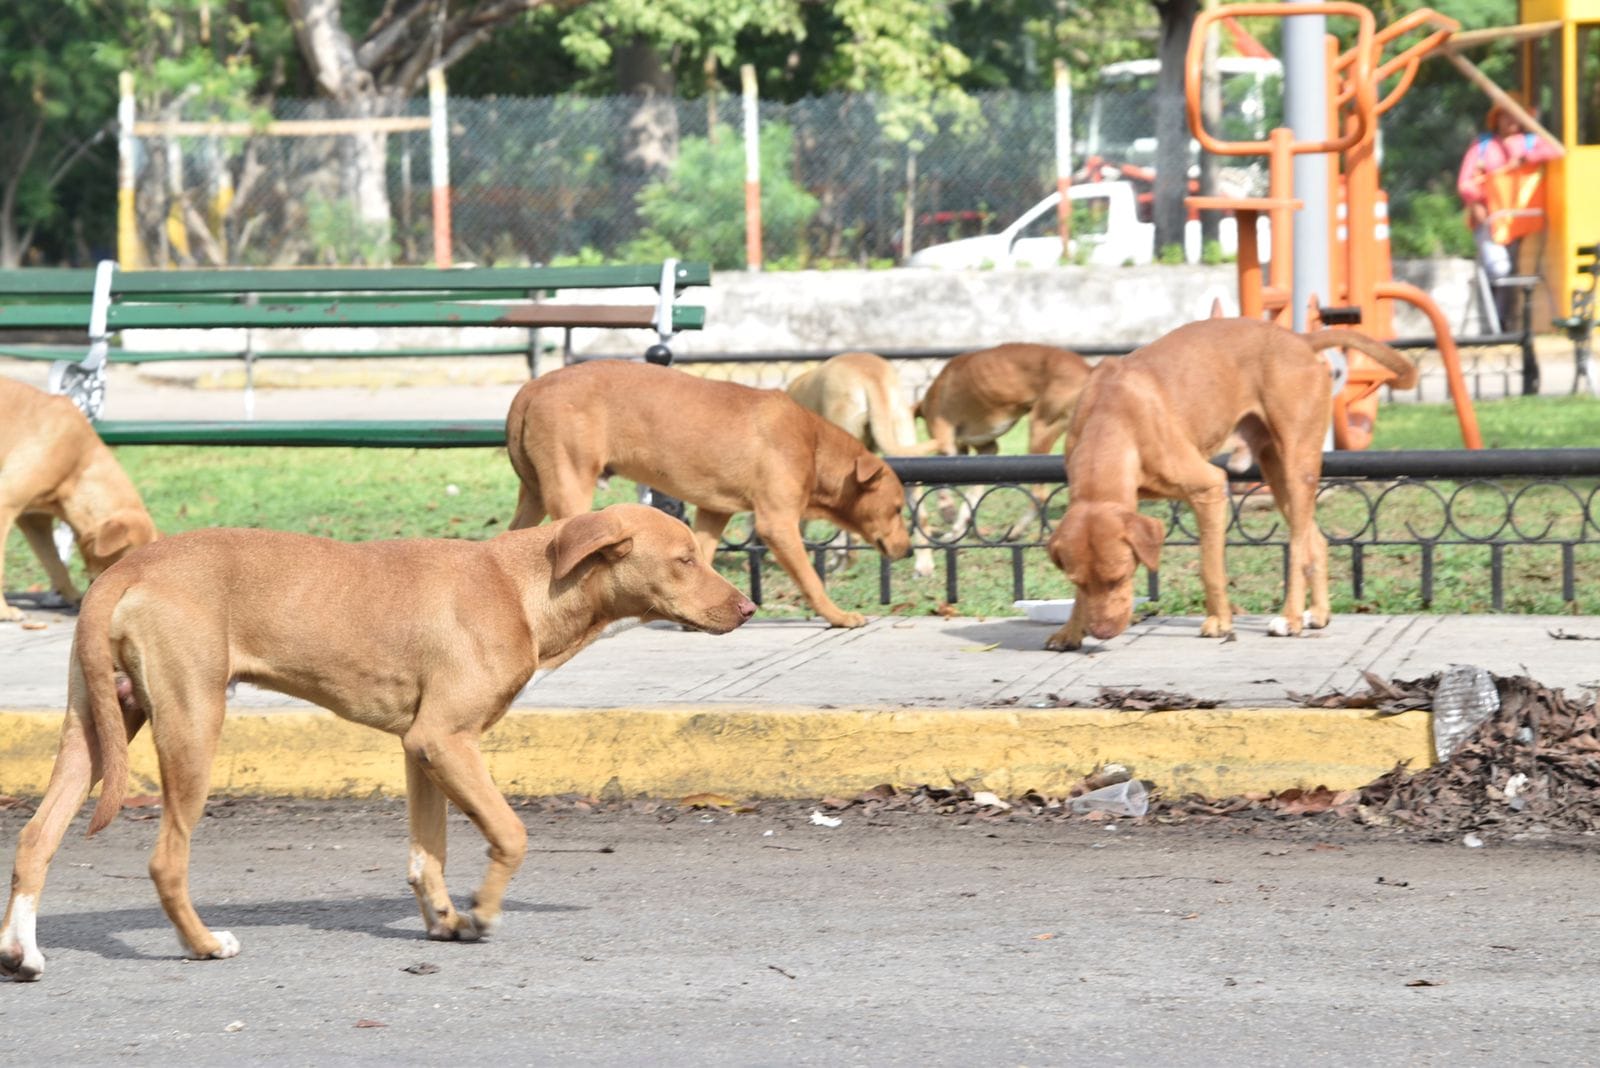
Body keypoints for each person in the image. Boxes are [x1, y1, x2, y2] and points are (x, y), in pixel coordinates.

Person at [1457, 97, 1562, 332]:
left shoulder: (1532, 143)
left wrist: (1526, 157)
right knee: (1499, 269)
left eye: (1517, 114)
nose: (1511, 120)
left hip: (1521, 221)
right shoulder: (1483, 146)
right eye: (1506, 114)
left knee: (1514, 269)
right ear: (1497, 119)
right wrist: (1475, 203)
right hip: (1490, 220)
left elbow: (1556, 151)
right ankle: (1495, 322)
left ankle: (1502, 323)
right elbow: (1465, 182)